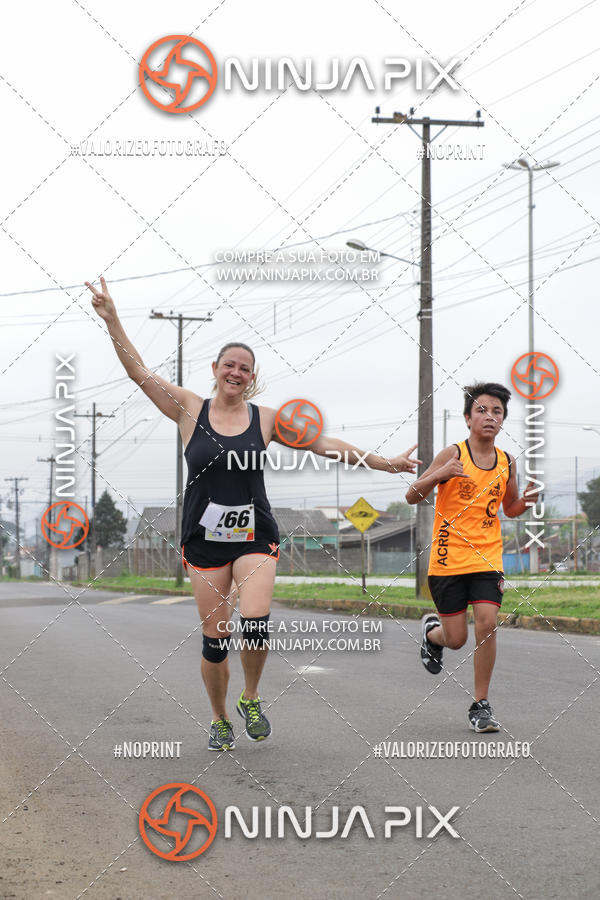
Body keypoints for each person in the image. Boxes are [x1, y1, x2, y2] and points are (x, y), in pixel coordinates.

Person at [87, 276, 421, 750]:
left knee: (257, 620)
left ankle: (251, 696)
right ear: (216, 368)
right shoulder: (188, 409)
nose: (236, 373)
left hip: (253, 534)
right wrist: (112, 318)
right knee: (215, 640)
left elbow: (325, 445)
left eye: (245, 368)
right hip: (202, 540)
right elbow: (138, 371)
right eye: (230, 365)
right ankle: (220, 717)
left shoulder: (267, 419)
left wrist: (386, 462)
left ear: (252, 377)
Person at [405, 382, 539, 733]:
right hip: (448, 561)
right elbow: (411, 496)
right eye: (481, 410)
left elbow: (509, 508)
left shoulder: (507, 461)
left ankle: (480, 704)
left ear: (503, 420)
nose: (489, 417)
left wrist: (527, 501)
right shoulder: (453, 455)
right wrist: (439, 474)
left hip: (487, 559)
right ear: (467, 418)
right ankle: (433, 633)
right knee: (457, 639)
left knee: (487, 624)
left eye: (497, 412)